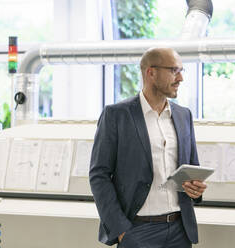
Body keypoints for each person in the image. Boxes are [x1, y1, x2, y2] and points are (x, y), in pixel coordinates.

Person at [89, 47, 207, 248]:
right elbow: (99, 175)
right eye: (174, 70)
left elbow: (191, 167)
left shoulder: (183, 115)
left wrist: (195, 189)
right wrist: (121, 231)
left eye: (181, 71)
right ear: (151, 72)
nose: (180, 78)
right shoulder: (117, 115)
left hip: (180, 229)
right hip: (137, 231)